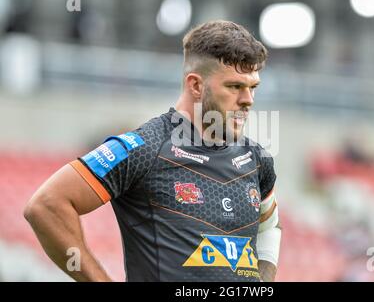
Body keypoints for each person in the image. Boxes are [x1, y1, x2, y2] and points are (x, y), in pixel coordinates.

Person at [24, 20, 281, 282]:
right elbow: (46, 205)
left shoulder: (257, 159)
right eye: (235, 86)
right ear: (195, 85)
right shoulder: (144, 149)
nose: (248, 100)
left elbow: (269, 228)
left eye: (252, 87)